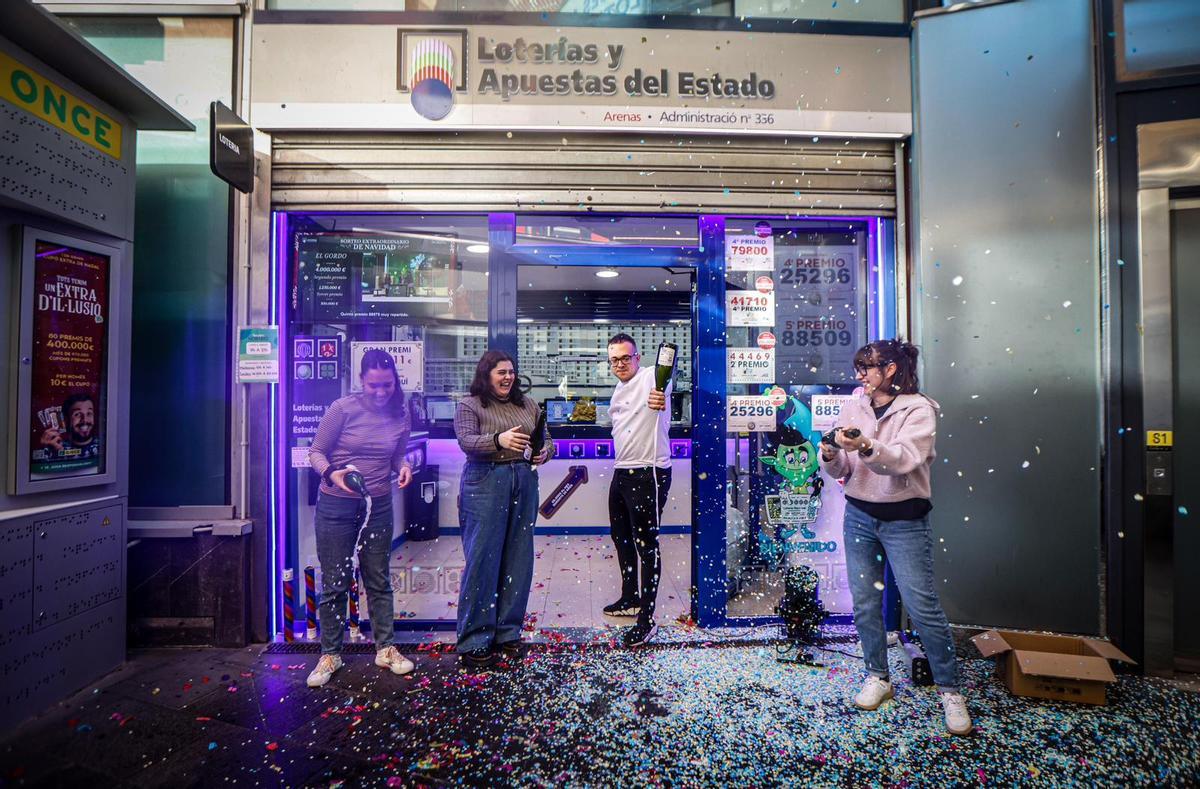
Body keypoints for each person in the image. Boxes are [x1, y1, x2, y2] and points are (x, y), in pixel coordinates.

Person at [818, 339, 972, 736]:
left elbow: (903, 460)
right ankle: (877, 677)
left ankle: (950, 692)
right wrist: (831, 452)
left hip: (905, 518)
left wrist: (866, 443)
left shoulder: (919, 409)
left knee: (923, 607)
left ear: (890, 369)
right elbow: (842, 469)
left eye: (867, 368)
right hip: (859, 516)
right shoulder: (854, 404)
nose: (860, 376)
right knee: (866, 603)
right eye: (859, 368)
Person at [306, 349, 415, 688]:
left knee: (378, 577)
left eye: (386, 385)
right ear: (361, 381)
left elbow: (397, 455)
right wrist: (330, 474)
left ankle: (386, 648)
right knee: (336, 579)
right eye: (373, 386)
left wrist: (404, 467)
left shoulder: (401, 411)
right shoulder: (342, 409)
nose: (381, 393)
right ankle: (331, 653)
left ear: (395, 381)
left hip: (378, 503)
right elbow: (315, 452)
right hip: (337, 504)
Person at [453, 350, 553, 669]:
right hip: (485, 481)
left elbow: (547, 441)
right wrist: (498, 439)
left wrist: (545, 452)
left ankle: (508, 633)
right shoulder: (470, 405)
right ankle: (474, 639)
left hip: (523, 480)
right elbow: (466, 441)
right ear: (487, 375)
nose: (508, 377)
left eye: (511, 372)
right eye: (501, 373)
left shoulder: (529, 405)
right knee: (482, 559)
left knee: (518, 559)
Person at [603, 333, 671, 648]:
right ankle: (630, 598)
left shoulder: (651, 379)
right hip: (622, 471)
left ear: (637, 357)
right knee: (621, 537)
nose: (620, 364)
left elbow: (665, 377)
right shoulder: (618, 390)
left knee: (646, 544)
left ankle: (646, 618)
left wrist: (662, 394)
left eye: (625, 357)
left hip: (649, 471)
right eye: (614, 359)